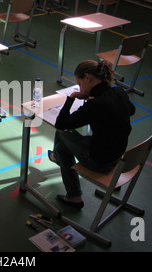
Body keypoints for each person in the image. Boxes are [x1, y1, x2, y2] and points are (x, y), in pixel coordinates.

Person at [48, 60, 136, 209]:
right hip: (119, 156)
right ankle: (58, 155)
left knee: (62, 134)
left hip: (100, 161)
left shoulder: (96, 104)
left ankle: (74, 195)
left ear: (88, 78)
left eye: (80, 83)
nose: (80, 88)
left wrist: (71, 98)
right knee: (63, 146)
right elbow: (131, 110)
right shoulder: (118, 92)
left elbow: (61, 124)